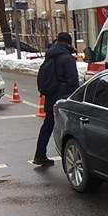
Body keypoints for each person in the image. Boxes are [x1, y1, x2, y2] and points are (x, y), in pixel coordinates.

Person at [33, 32, 80, 166]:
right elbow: (73, 82)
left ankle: (40, 155)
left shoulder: (50, 56)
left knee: (48, 126)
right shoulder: (66, 58)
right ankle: (72, 158)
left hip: (50, 96)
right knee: (72, 129)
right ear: (68, 43)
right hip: (63, 98)